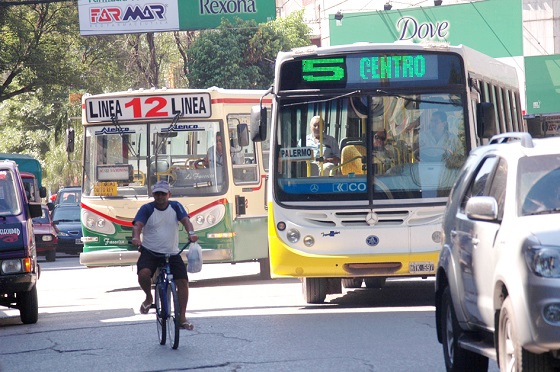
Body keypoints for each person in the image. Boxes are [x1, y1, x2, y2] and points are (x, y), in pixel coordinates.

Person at [131, 180, 199, 330]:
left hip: (172, 252)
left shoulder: (175, 206)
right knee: (143, 273)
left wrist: (192, 233)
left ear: (169, 194)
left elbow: (186, 221)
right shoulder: (147, 208)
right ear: (153, 195)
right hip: (150, 251)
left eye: (163, 194)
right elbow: (138, 225)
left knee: (182, 282)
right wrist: (136, 237)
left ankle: (182, 318)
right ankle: (149, 297)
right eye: (157, 194)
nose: (160, 197)